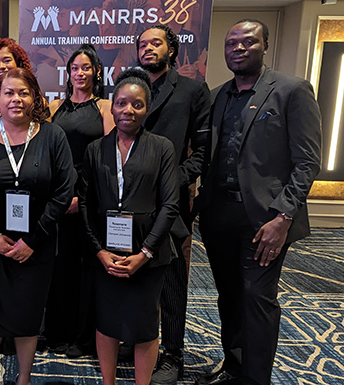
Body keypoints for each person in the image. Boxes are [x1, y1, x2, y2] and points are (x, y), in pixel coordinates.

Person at [195, 19, 321, 385]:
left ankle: (255, 378)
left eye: (248, 41)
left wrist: (283, 216)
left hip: (265, 220)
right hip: (219, 215)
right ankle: (233, 368)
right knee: (229, 296)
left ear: (265, 45)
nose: (237, 47)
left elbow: (307, 161)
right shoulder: (218, 95)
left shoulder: (292, 91)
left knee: (257, 299)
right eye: (231, 42)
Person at [0, 67, 74, 385]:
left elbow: (65, 191)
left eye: (24, 92)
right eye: (9, 92)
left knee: (28, 312)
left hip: (36, 247)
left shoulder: (52, 136)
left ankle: (24, 377)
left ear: (35, 96)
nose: (16, 99)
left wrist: (34, 240)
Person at [78, 68, 181, 385]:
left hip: (148, 254)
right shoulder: (96, 150)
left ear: (147, 108)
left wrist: (146, 252)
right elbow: (85, 204)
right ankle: (107, 381)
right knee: (107, 321)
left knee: (145, 325)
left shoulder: (162, 147)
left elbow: (170, 205)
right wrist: (99, 251)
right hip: (107, 253)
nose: (128, 111)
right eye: (121, 103)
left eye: (137, 104)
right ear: (112, 106)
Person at [133, 24, 211, 384]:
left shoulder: (192, 90)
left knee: (172, 281)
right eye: (143, 44)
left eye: (156, 43)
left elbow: (203, 153)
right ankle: (134, 338)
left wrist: (172, 180)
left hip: (170, 202)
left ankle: (173, 353)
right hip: (128, 201)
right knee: (129, 273)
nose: (148, 48)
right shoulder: (128, 86)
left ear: (172, 49)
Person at [45, 44, 113, 358]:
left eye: (86, 67)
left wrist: (81, 197)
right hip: (56, 194)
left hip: (90, 194)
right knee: (60, 267)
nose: (80, 73)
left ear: (96, 72)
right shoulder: (54, 105)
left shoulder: (105, 107)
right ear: (68, 73)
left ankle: (85, 339)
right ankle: (58, 333)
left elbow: (109, 158)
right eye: (75, 68)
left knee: (88, 268)